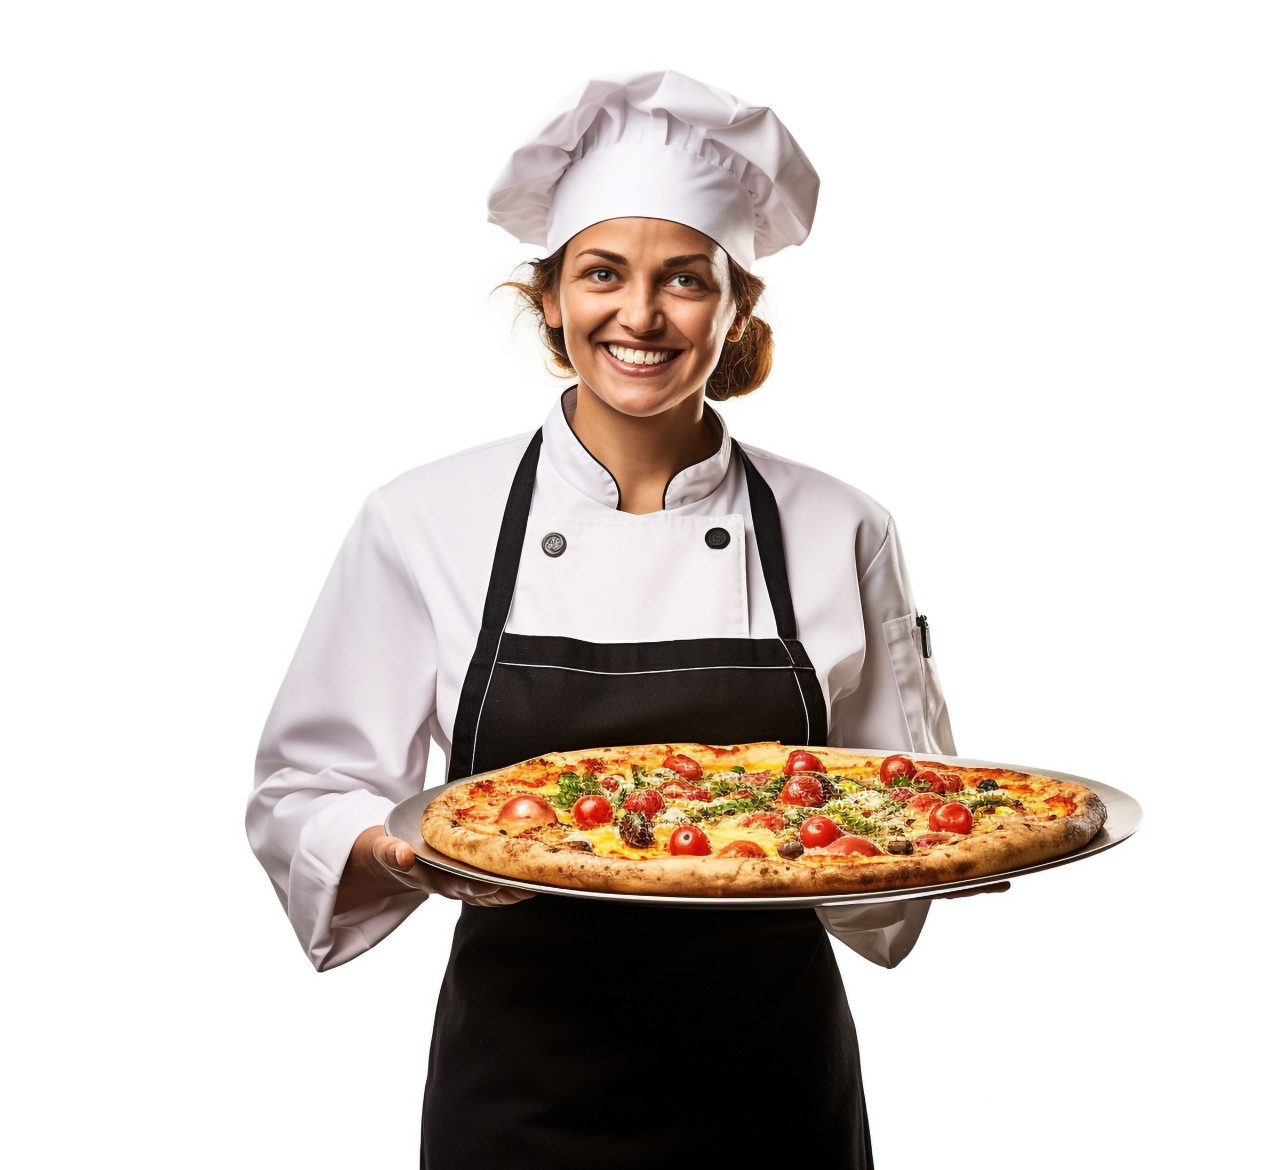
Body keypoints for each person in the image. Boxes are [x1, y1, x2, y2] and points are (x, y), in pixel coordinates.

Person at [248, 71, 961, 1168]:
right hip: (521, 1095)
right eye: (600, 275)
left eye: (683, 279)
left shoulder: (840, 527)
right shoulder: (424, 518)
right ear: (548, 299)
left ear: (732, 312)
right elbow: (302, 790)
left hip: (771, 1092)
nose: (638, 315)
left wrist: (933, 858)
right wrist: (400, 854)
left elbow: (907, 797)